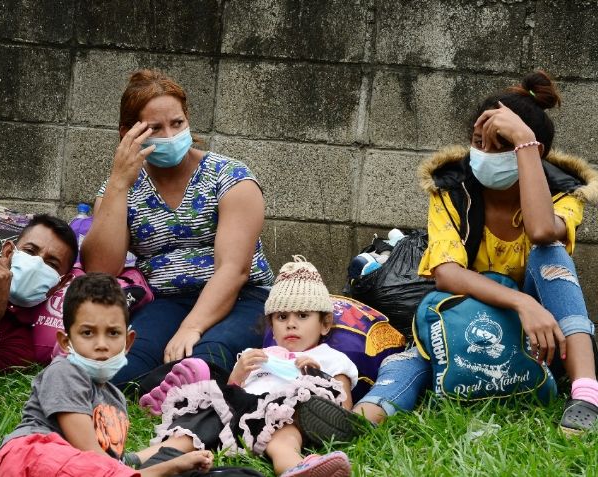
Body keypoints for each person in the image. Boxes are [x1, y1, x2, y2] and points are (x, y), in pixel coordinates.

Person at [348, 71, 598, 434]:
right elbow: (447, 274)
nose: (485, 154)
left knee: (551, 254)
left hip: (535, 334)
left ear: (533, 153)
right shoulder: (450, 191)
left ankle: (586, 397)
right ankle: (362, 417)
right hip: (466, 317)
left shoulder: (563, 193)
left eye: (501, 145)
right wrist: (521, 304)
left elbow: (542, 230)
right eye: (478, 142)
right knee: (413, 357)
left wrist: (525, 144)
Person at [82, 69, 274, 387]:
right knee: (122, 372)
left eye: (177, 123)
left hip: (243, 296)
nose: (170, 136)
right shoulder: (120, 188)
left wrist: (191, 327)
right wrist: (118, 183)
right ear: (128, 133)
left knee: (209, 358)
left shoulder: (230, 177)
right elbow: (102, 269)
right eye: (155, 128)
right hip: (166, 300)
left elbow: (234, 269)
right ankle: (162, 385)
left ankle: (181, 385)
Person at [136, 257, 354, 477]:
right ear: (271, 325)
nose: (291, 323)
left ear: (325, 324)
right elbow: (233, 393)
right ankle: (139, 459)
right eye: (281, 316)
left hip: (282, 415)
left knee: (283, 438)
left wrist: (318, 375)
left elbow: (342, 411)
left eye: (303, 315)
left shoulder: (330, 358)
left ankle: (297, 467)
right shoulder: (259, 355)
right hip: (239, 411)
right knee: (195, 425)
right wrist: (238, 374)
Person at [0, 272, 214, 477]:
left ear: (128, 342)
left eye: (113, 333)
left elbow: (111, 464)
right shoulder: (64, 371)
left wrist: (177, 451)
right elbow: (90, 453)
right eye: (87, 333)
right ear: (66, 342)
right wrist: (169, 465)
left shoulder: (115, 400)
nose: (101, 345)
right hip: (31, 458)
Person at [0, 214, 78, 380]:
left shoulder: (21, 347)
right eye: (30, 251)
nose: (36, 264)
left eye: (52, 264)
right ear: (8, 251)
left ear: (62, 283)